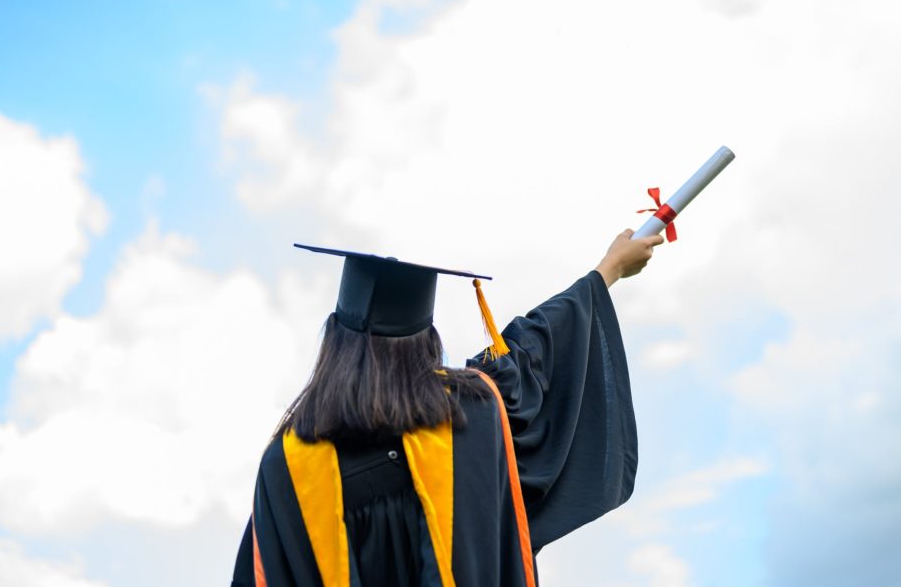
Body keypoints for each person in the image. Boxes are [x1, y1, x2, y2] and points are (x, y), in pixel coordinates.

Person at [231, 229, 664, 587]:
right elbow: (532, 354)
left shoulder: (285, 466)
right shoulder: (472, 414)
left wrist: (607, 270)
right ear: (427, 341)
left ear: (334, 340)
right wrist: (608, 270)